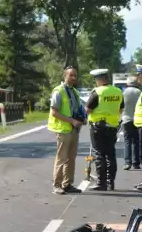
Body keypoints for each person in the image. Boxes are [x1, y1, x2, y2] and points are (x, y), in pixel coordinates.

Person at [48, 66, 86, 195]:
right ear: (65, 76)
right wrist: (71, 121)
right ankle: (57, 185)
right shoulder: (58, 91)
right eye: (71, 75)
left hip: (74, 129)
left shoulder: (74, 91)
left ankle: (67, 184)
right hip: (64, 130)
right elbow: (54, 113)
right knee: (61, 158)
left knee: (71, 158)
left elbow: (77, 109)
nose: (74, 77)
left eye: (75, 75)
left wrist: (82, 119)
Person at [85, 69, 124, 191]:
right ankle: (110, 182)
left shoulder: (97, 92)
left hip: (98, 127)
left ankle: (101, 183)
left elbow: (88, 109)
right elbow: (121, 108)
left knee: (99, 154)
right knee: (110, 155)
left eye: (96, 79)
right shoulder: (118, 91)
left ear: (100, 79)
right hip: (112, 127)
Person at [121, 75, 141, 170]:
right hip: (137, 120)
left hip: (126, 119)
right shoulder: (139, 92)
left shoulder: (124, 92)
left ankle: (127, 163)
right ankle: (136, 163)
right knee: (136, 142)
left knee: (127, 141)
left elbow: (120, 106)